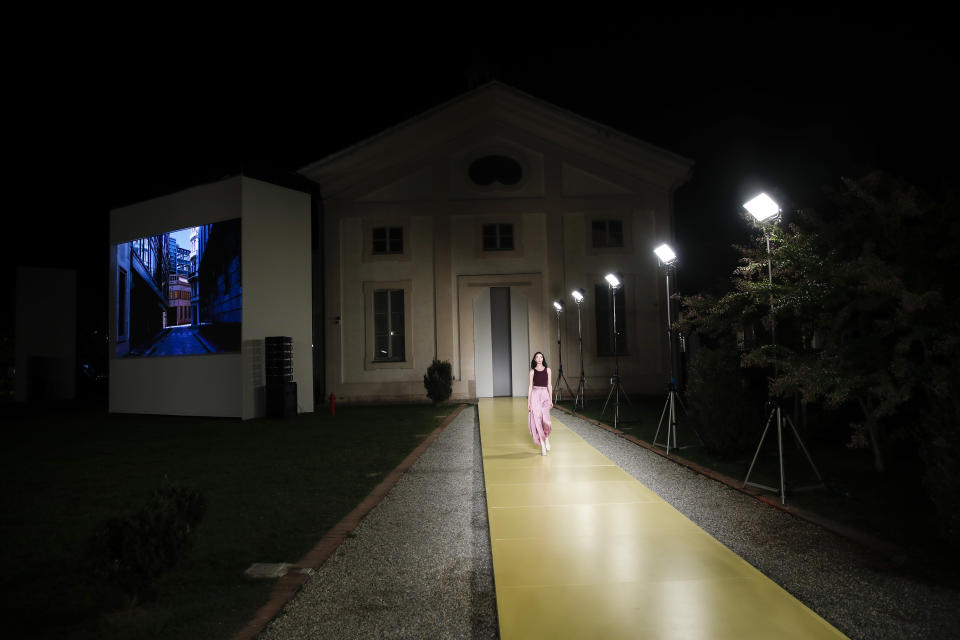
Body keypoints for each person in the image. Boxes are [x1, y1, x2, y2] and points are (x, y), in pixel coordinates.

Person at [527, 351, 553, 456]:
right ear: (534, 359)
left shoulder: (548, 370)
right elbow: (530, 386)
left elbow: (550, 385)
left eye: (541, 357)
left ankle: (546, 437)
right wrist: (528, 402)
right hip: (535, 395)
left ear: (543, 359)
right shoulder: (532, 372)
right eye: (537, 357)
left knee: (546, 420)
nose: (539, 358)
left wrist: (551, 399)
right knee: (537, 420)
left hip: (545, 395)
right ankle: (542, 445)